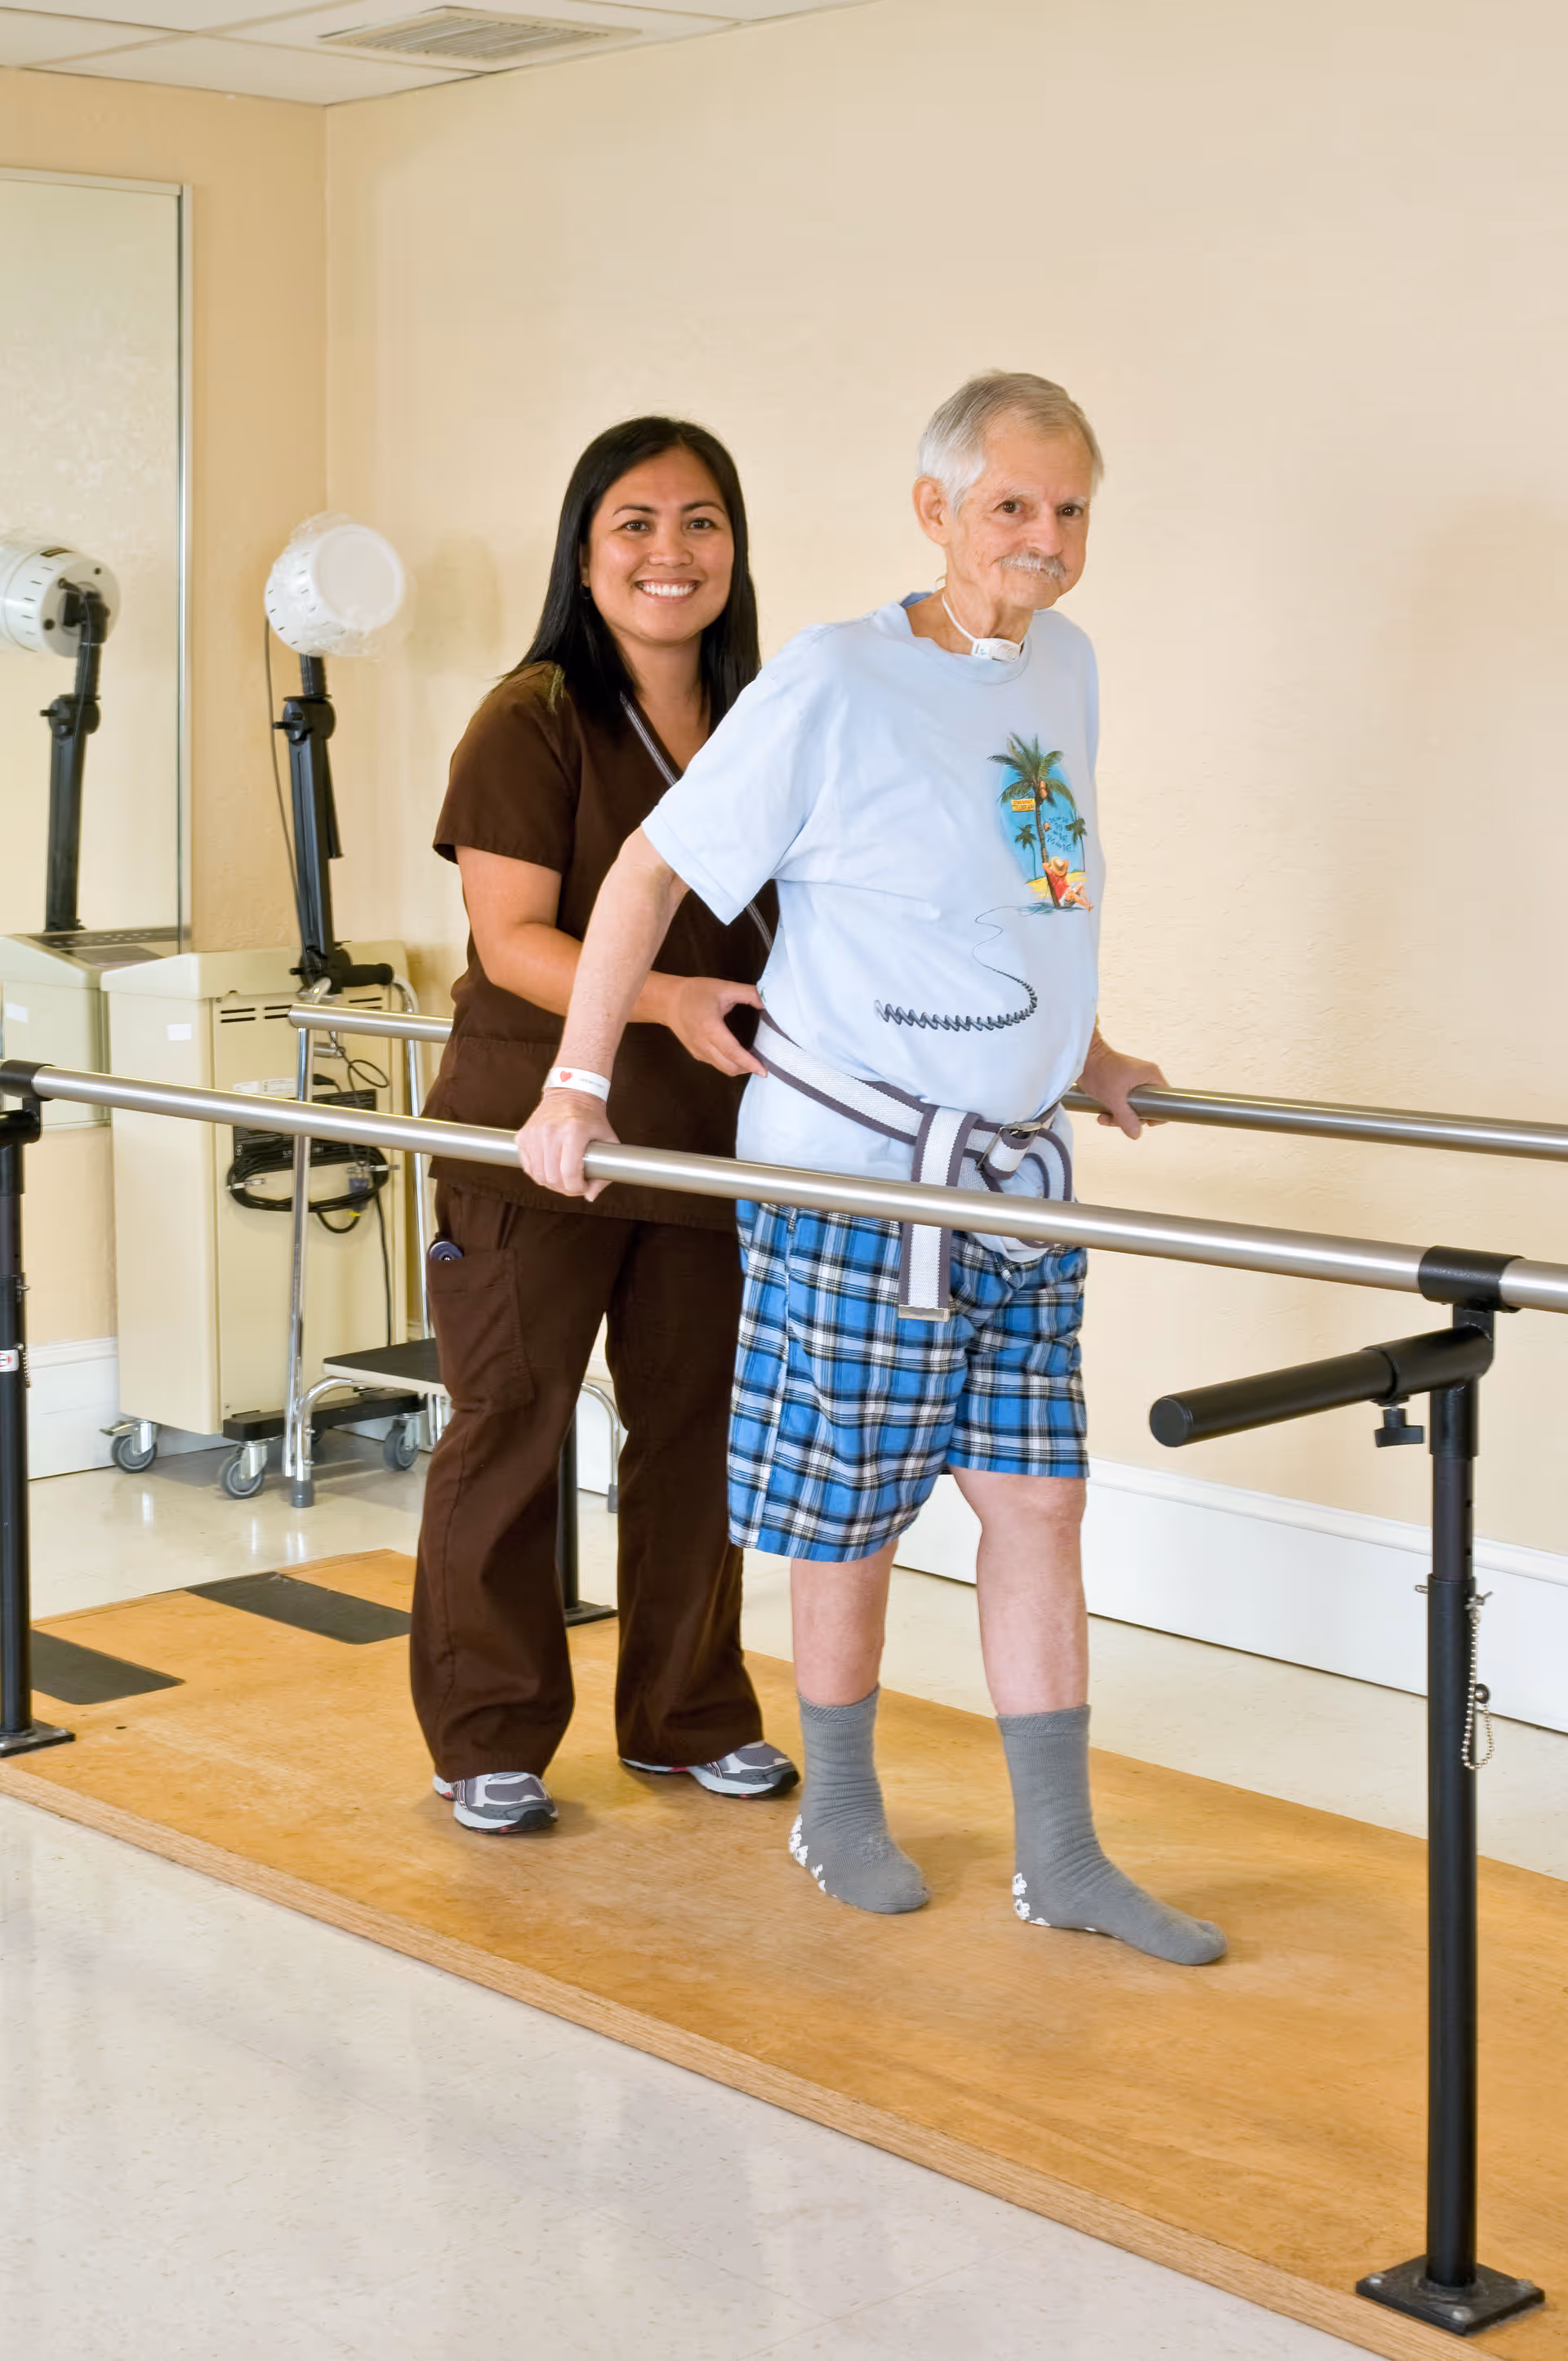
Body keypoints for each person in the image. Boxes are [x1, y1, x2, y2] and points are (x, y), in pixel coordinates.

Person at [516, 372, 1224, 1965]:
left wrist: (1083, 1049)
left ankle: (1064, 1852)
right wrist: (575, 1077)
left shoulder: (1066, 669)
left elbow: (1035, 890)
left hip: (1017, 1177)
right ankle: (840, 1804)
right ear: (935, 510)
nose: (1044, 541)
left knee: (1039, 1501)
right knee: (849, 1509)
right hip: (858, 1172)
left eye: (1071, 511)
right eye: (1011, 508)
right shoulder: (837, 678)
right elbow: (645, 872)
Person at [413, 416, 797, 1836]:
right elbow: (513, 939)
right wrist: (675, 991)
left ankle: (687, 1711)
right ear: (584, 552)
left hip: (703, 1142)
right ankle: (490, 1732)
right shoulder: (532, 716)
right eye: (634, 523)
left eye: (701, 521)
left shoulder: (767, 715)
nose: (670, 552)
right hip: (538, 1135)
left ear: (735, 549)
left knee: (695, 1434)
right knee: (512, 1427)